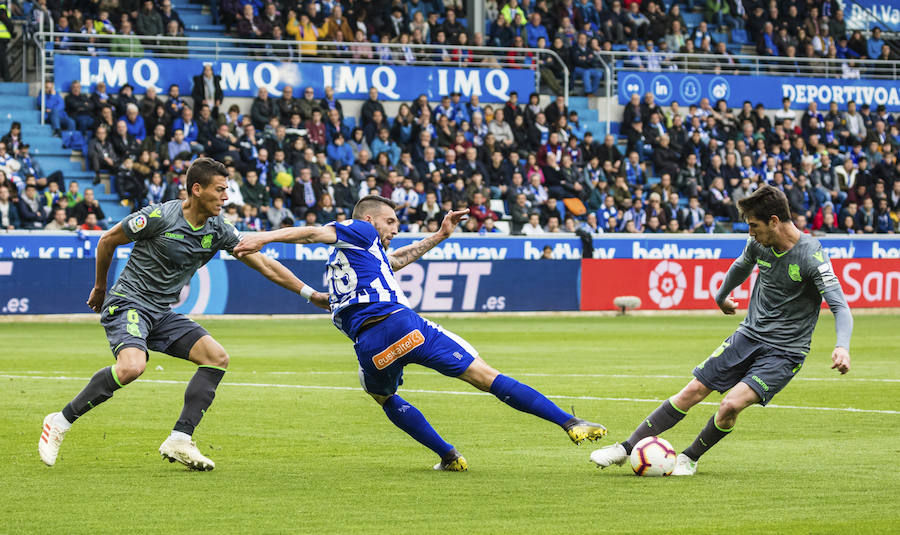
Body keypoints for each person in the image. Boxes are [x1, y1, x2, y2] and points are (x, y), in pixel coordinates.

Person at [233, 195, 608, 471]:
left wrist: (441, 235)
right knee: (484, 375)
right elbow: (314, 232)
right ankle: (570, 422)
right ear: (369, 219)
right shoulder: (359, 229)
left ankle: (448, 456)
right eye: (391, 221)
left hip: (370, 346)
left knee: (383, 398)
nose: (395, 229)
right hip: (402, 324)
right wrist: (263, 237)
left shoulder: (349, 264)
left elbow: (397, 260)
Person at [38, 158, 330, 471]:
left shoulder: (218, 229)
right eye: (220, 190)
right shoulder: (159, 216)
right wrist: (99, 287)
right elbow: (108, 239)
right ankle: (60, 421)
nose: (226, 197)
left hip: (161, 312)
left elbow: (264, 263)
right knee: (132, 367)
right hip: (129, 302)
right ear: (196, 189)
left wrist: (309, 294)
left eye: (226, 190)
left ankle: (180, 438)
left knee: (216, 357)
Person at [590, 185, 852, 476]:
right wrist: (721, 295)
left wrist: (842, 346)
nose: (750, 233)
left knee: (730, 405)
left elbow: (840, 307)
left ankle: (688, 458)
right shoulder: (759, 244)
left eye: (754, 225)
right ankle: (625, 449)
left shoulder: (812, 257)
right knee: (693, 389)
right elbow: (742, 265)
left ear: (774, 221)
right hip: (748, 335)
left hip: (784, 352)